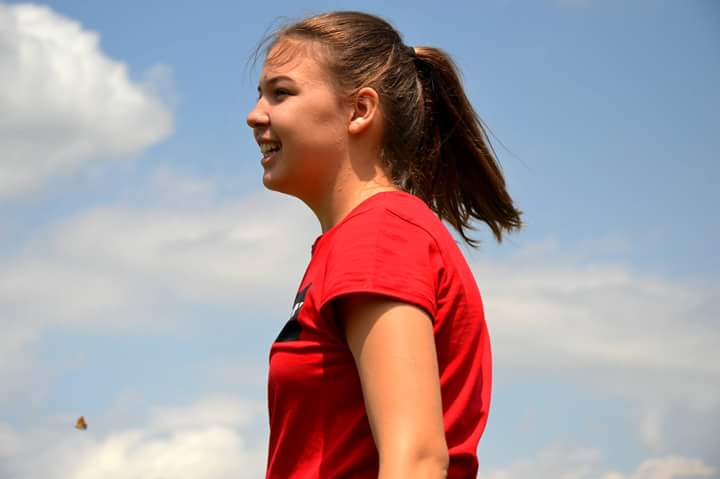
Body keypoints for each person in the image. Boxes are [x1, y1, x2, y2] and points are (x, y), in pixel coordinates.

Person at [246, 11, 522, 479]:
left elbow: (416, 461)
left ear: (360, 110)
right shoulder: (365, 237)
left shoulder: (378, 237)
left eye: (281, 93)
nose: (255, 114)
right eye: (260, 94)